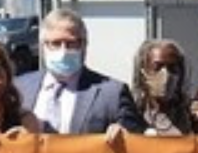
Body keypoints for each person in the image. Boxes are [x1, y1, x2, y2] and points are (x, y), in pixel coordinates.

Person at [15, 8, 146, 142]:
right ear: (43, 46)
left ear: (84, 45)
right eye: (55, 43)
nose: (63, 50)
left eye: (71, 43)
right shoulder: (19, 87)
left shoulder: (113, 94)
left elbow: (137, 143)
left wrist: (124, 134)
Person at [129, 39, 192, 136]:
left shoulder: (189, 112)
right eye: (157, 67)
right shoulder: (131, 111)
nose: (166, 75)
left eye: (172, 68)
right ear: (143, 71)